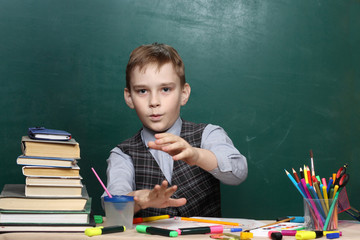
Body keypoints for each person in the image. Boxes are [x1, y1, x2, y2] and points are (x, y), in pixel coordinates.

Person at [104, 43, 248, 217]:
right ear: (129, 98)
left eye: (165, 89)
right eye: (142, 91)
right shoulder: (122, 154)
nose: (154, 101)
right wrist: (139, 200)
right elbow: (112, 211)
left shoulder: (208, 134)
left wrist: (197, 155)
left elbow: (239, 172)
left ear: (184, 94)